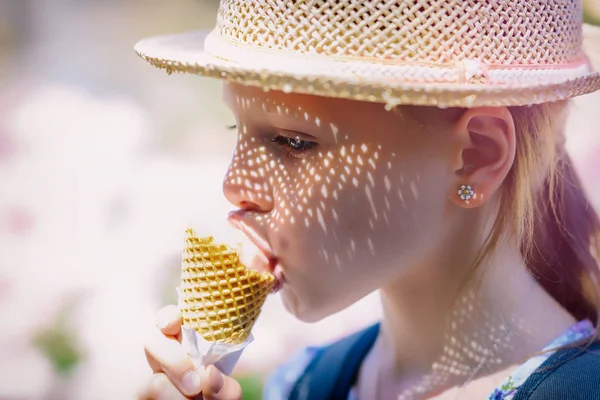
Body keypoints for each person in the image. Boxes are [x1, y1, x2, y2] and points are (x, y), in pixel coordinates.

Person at [134, 1, 600, 399]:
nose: (235, 185)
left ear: (476, 156)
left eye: (294, 142)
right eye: (237, 127)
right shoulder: (303, 384)